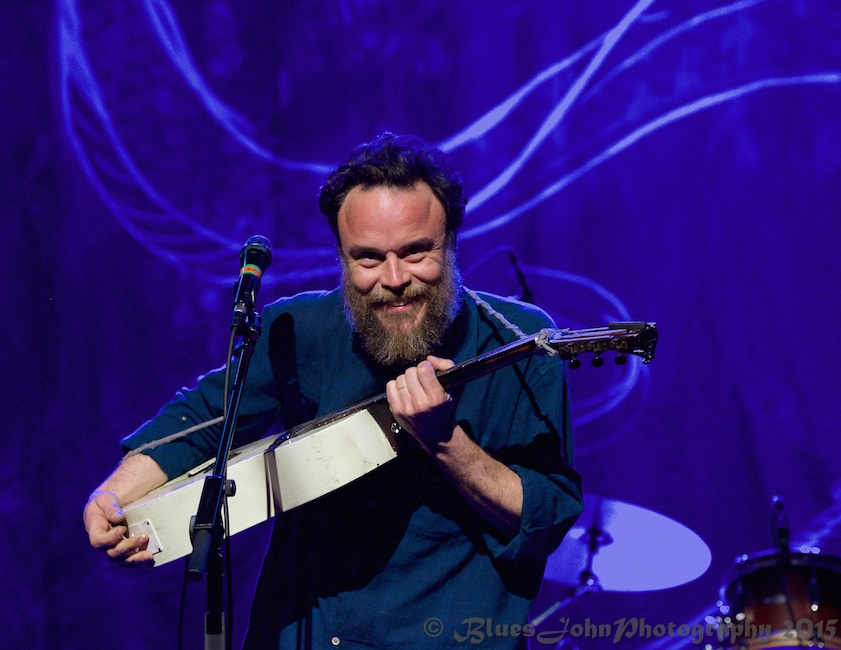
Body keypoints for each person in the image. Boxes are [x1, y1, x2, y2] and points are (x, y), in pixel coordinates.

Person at [84, 133, 584, 648]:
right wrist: (115, 495)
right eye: (367, 258)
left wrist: (443, 442)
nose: (394, 278)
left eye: (416, 253)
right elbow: (206, 418)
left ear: (453, 241)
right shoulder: (297, 330)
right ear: (341, 258)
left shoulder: (521, 344)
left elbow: (545, 519)